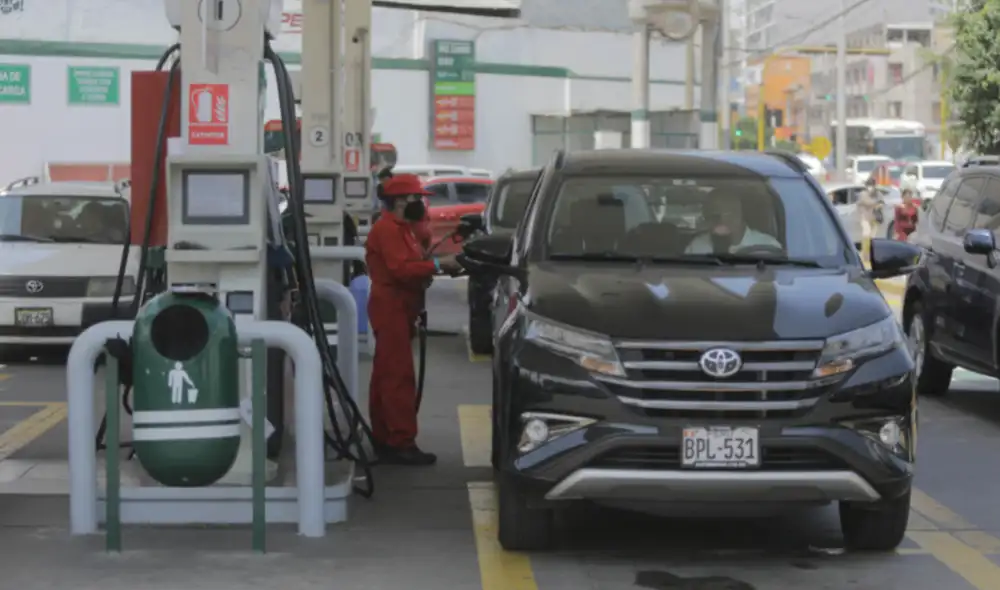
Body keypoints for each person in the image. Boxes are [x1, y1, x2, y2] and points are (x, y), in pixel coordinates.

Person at [365, 173, 461, 465]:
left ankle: (385, 437)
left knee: (387, 375)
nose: (421, 204)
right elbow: (401, 269)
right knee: (397, 377)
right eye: (416, 199)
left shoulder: (404, 229)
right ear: (399, 202)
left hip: (402, 306)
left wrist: (427, 241)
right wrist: (437, 265)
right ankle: (400, 442)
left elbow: (417, 259)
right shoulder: (387, 231)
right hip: (390, 307)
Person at [685, 193, 781, 254]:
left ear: (739, 215)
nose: (719, 221)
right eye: (711, 216)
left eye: (727, 214)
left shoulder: (767, 246)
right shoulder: (698, 246)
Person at [856, 178, 883, 258]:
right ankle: (865, 254)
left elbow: (882, 202)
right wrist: (876, 203)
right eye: (869, 185)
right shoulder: (863, 194)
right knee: (866, 234)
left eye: (872, 185)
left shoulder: (878, 193)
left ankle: (870, 254)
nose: (870, 187)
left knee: (872, 237)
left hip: (874, 218)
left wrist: (879, 204)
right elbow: (867, 202)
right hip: (865, 218)